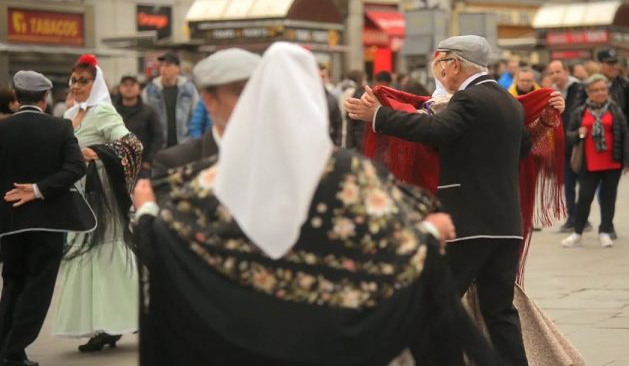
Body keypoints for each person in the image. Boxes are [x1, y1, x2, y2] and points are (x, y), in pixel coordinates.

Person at [134, 42, 500, 366]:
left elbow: (166, 241)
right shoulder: (348, 175)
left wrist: (147, 211)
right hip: (331, 344)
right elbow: (397, 251)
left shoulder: (216, 180)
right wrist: (426, 232)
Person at [346, 35, 563, 365]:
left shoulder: (468, 100)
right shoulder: (510, 103)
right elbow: (521, 152)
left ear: (456, 64)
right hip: (506, 227)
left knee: (436, 307)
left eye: (441, 64)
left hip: (468, 224)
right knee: (500, 313)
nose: (440, 72)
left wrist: (378, 115)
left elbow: (435, 130)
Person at [0, 71, 92, 366]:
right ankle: (14, 349)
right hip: (48, 220)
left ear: (16, 97)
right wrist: (40, 189)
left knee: (12, 281)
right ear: (45, 98)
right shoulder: (61, 127)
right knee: (38, 286)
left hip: (9, 220)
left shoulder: (3, 128)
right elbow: (77, 167)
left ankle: (7, 347)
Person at [52, 55, 143, 352]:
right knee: (84, 255)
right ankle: (100, 325)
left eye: (83, 81)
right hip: (77, 195)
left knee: (106, 254)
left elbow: (131, 144)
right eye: (74, 80)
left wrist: (99, 152)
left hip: (103, 197)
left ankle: (111, 325)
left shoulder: (104, 112)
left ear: (96, 83)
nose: (76, 86)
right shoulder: (68, 117)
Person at [152, 48, 261, 178]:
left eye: (258, 91)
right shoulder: (175, 164)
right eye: (239, 93)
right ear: (210, 101)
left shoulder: (280, 156)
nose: (252, 101)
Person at [561, 74, 629, 248]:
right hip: (589, 163)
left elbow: (625, 135)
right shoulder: (580, 112)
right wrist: (579, 133)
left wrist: (627, 161)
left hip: (612, 162)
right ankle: (577, 233)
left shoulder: (614, 109)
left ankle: (605, 231)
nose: (600, 93)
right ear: (588, 92)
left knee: (608, 198)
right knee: (584, 198)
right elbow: (568, 137)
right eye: (595, 90)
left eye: (603, 89)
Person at [549, 60, 586, 233]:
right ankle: (572, 218)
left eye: (558, 71)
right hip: (562, 143)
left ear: (566, 71)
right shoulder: (551, 93)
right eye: (552, 73)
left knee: (585, 184)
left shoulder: (579, 88)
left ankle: (583, 218)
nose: (555, 75)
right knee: (568, 183)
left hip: (580, 142)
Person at [142, 51, 199, 148]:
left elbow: (196, 116)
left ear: (177, 68)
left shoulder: (189, 89)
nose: (163, 69)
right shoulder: (150, 90)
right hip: (158, 146)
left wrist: (193, 140)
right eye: (161, 66)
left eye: (167, 65)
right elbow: (144, 119)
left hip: (184, 145)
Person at [114, 75, 164, 178]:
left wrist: (148, 161)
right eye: (125, 85)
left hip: (142, 167)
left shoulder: (149, 111)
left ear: (139, 89)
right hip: (117, 165)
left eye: (132, 85)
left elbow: (158, 137)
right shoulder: (113, 112)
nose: (129, 88)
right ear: (120, 89)